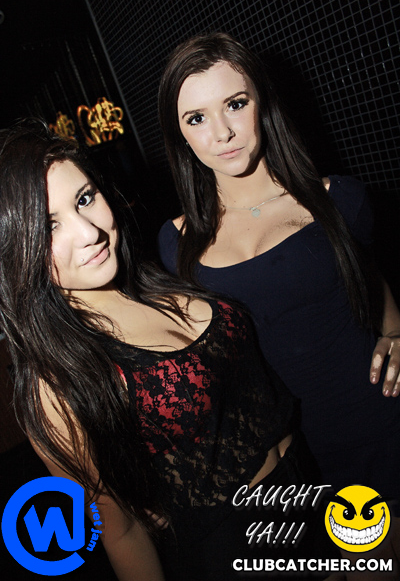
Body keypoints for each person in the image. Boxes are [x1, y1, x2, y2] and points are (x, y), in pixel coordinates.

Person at [0, 118, 338, 581]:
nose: (89, 232)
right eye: (49, 226)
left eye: (85, 199)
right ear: (16, 249)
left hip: (308, 493)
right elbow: (121, 533)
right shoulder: (58, 380)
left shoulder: (154, 277)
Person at [157, 32, 400, 503]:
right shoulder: (176, 244)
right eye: (197, 118)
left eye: (235, 104)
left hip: (375, 430)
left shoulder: (339, 201)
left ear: (261, 102)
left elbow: (372, 283)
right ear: (179, 133)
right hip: (280, 467)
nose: (222, 133)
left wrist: (396, 334)